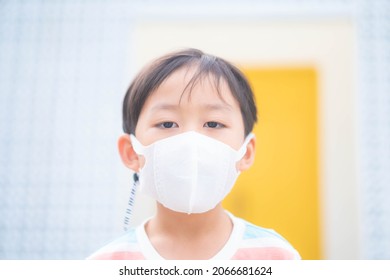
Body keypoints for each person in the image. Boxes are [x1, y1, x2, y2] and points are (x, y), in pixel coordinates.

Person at [87, 48, 300, 260]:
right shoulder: (105, 263)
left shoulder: (276, 256)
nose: (191, 141)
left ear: (246, 152)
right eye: (167, 123)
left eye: (213, 123)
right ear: (132, 152)